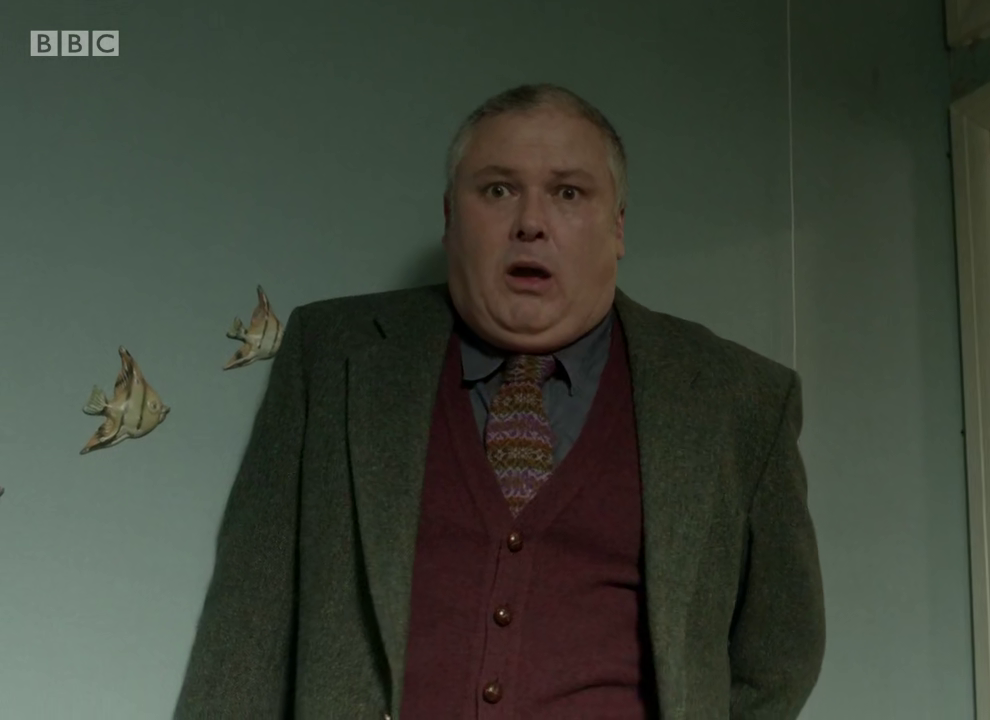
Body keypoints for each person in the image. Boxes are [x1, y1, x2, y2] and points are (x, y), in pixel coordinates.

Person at [174, 83, 825, 720]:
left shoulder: (739, 399)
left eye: (568, 193)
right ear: (450, 219)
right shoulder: (333, 355)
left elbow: (778, 660)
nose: (531, 223)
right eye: (498, 190)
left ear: (618, 226)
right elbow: (245, 633)